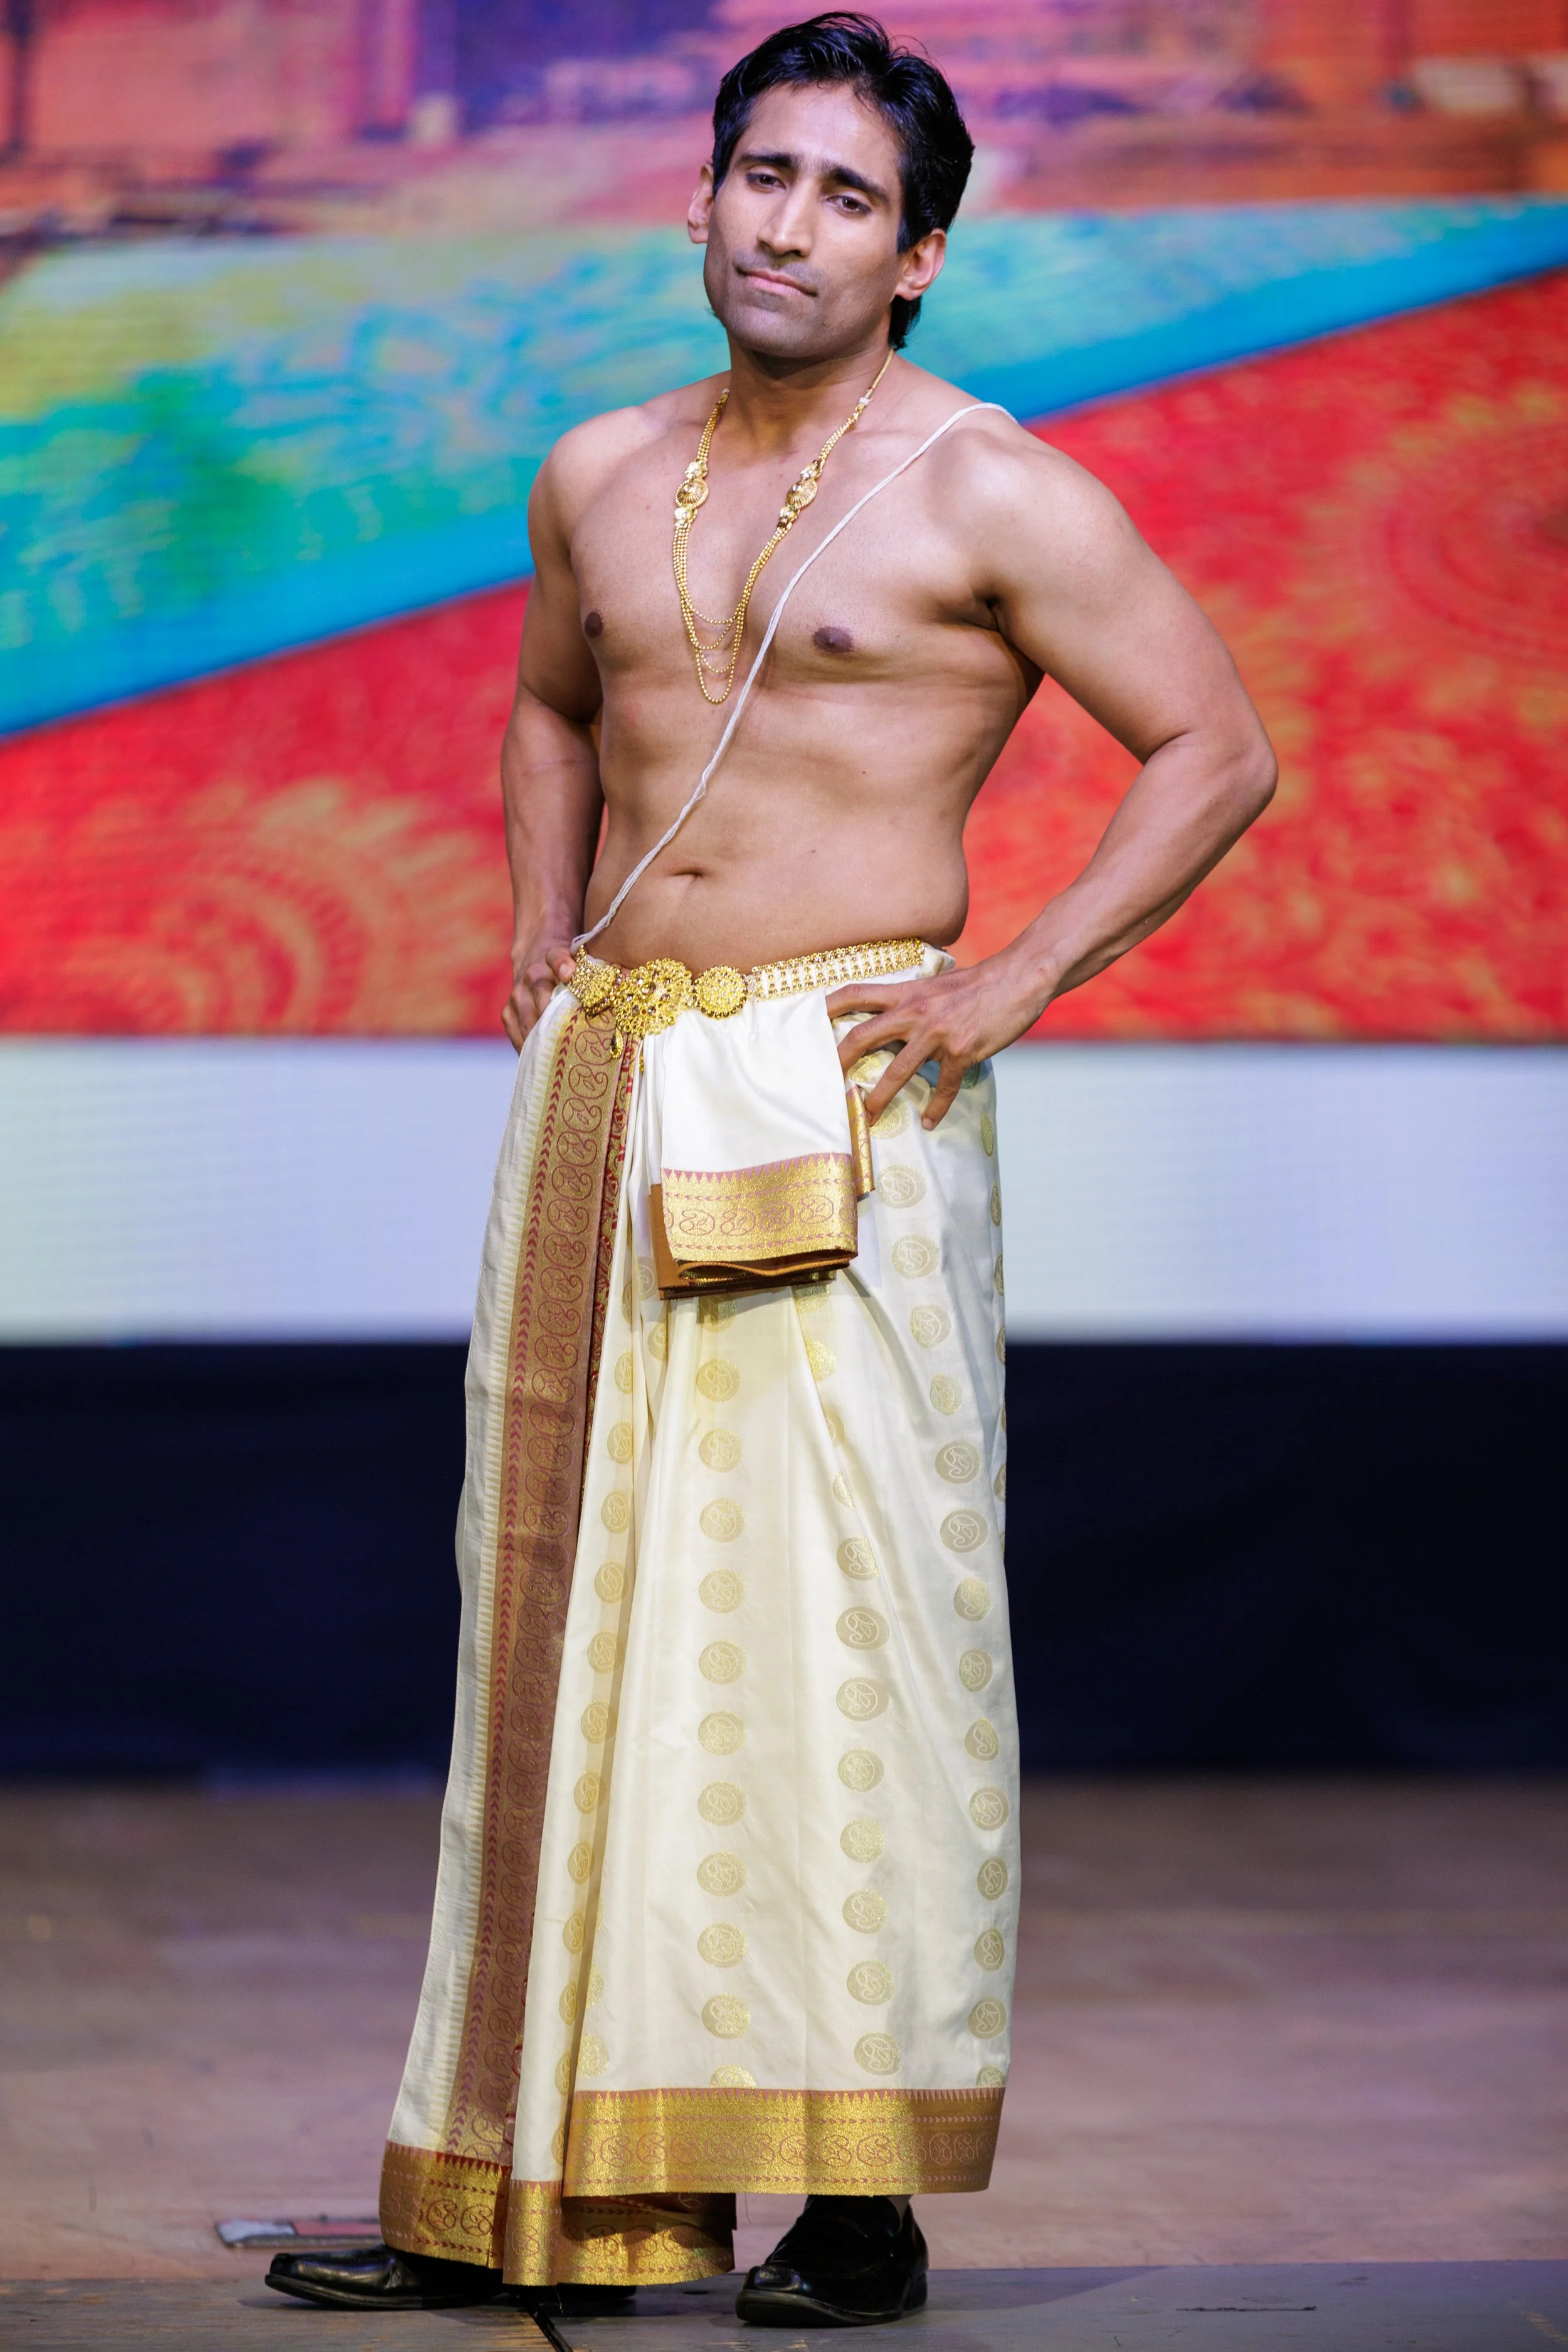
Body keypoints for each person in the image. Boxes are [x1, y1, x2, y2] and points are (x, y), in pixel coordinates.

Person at [267, 9, 1274, 2329]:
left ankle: (849, 2199)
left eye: (841, 196)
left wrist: (1004, 982)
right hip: (606, 1087)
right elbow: (549, 700)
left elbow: (1215, 746)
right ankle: (536, 2199)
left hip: (841, 1099)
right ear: (697, 195)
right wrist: (539, 917)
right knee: (561, 1630)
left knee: (836, 1648)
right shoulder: (601, 466)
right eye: (760, 175)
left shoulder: (991, 490)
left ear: (914, 256)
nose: (785, 223)